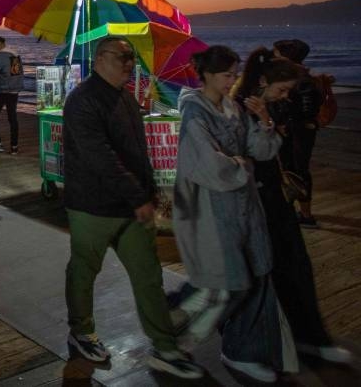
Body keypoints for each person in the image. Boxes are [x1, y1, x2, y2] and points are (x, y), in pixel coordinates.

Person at [62, 36, 202, 379]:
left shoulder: (126, 98)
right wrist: (139, 196)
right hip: (92, 207)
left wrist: (150, 191)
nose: (129, 63)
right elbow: (100, 157)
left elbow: (139, 152)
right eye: (122, 56)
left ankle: (166, 347)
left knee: (148, 275)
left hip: (130, 209)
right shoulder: (82, 101)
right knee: (84, 270)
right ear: (99, 59)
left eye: (131, 57)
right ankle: (81, 331)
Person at [172, 46, 294, 382]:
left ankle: (236, 348)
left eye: (234, 74)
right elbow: (208, 165)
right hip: (213, 211)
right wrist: (243, 166)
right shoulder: (195, 114)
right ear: (208, 74)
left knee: (251, 277)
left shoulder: (233, 110)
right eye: (227, 74)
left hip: (244, 209)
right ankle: (184, 336)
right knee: (233, 283)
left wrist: (265, 121)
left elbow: (259, 149)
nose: (232, 81)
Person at [235, 47, 352, 367]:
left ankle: (310, 338)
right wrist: (264, 122)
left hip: (275, 197)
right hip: (250, 201)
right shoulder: (235, 109)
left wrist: (270, 120)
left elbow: (275, 147)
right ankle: (253, 347)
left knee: (296, 266)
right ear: (261, 81)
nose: (285, 95)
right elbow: (251, 155)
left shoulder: (273, 106)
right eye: (281, 88)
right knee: (256, 277)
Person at [272, 39, 324, 227]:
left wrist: (284, 119)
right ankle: (296, 210)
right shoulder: (301, 76)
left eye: (276, 53)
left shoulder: (300, 79)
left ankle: (306, 214)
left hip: (297, 130)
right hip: (294, 129)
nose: (274, 56)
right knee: (290, 168)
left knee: (297, 169)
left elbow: (306, 108)